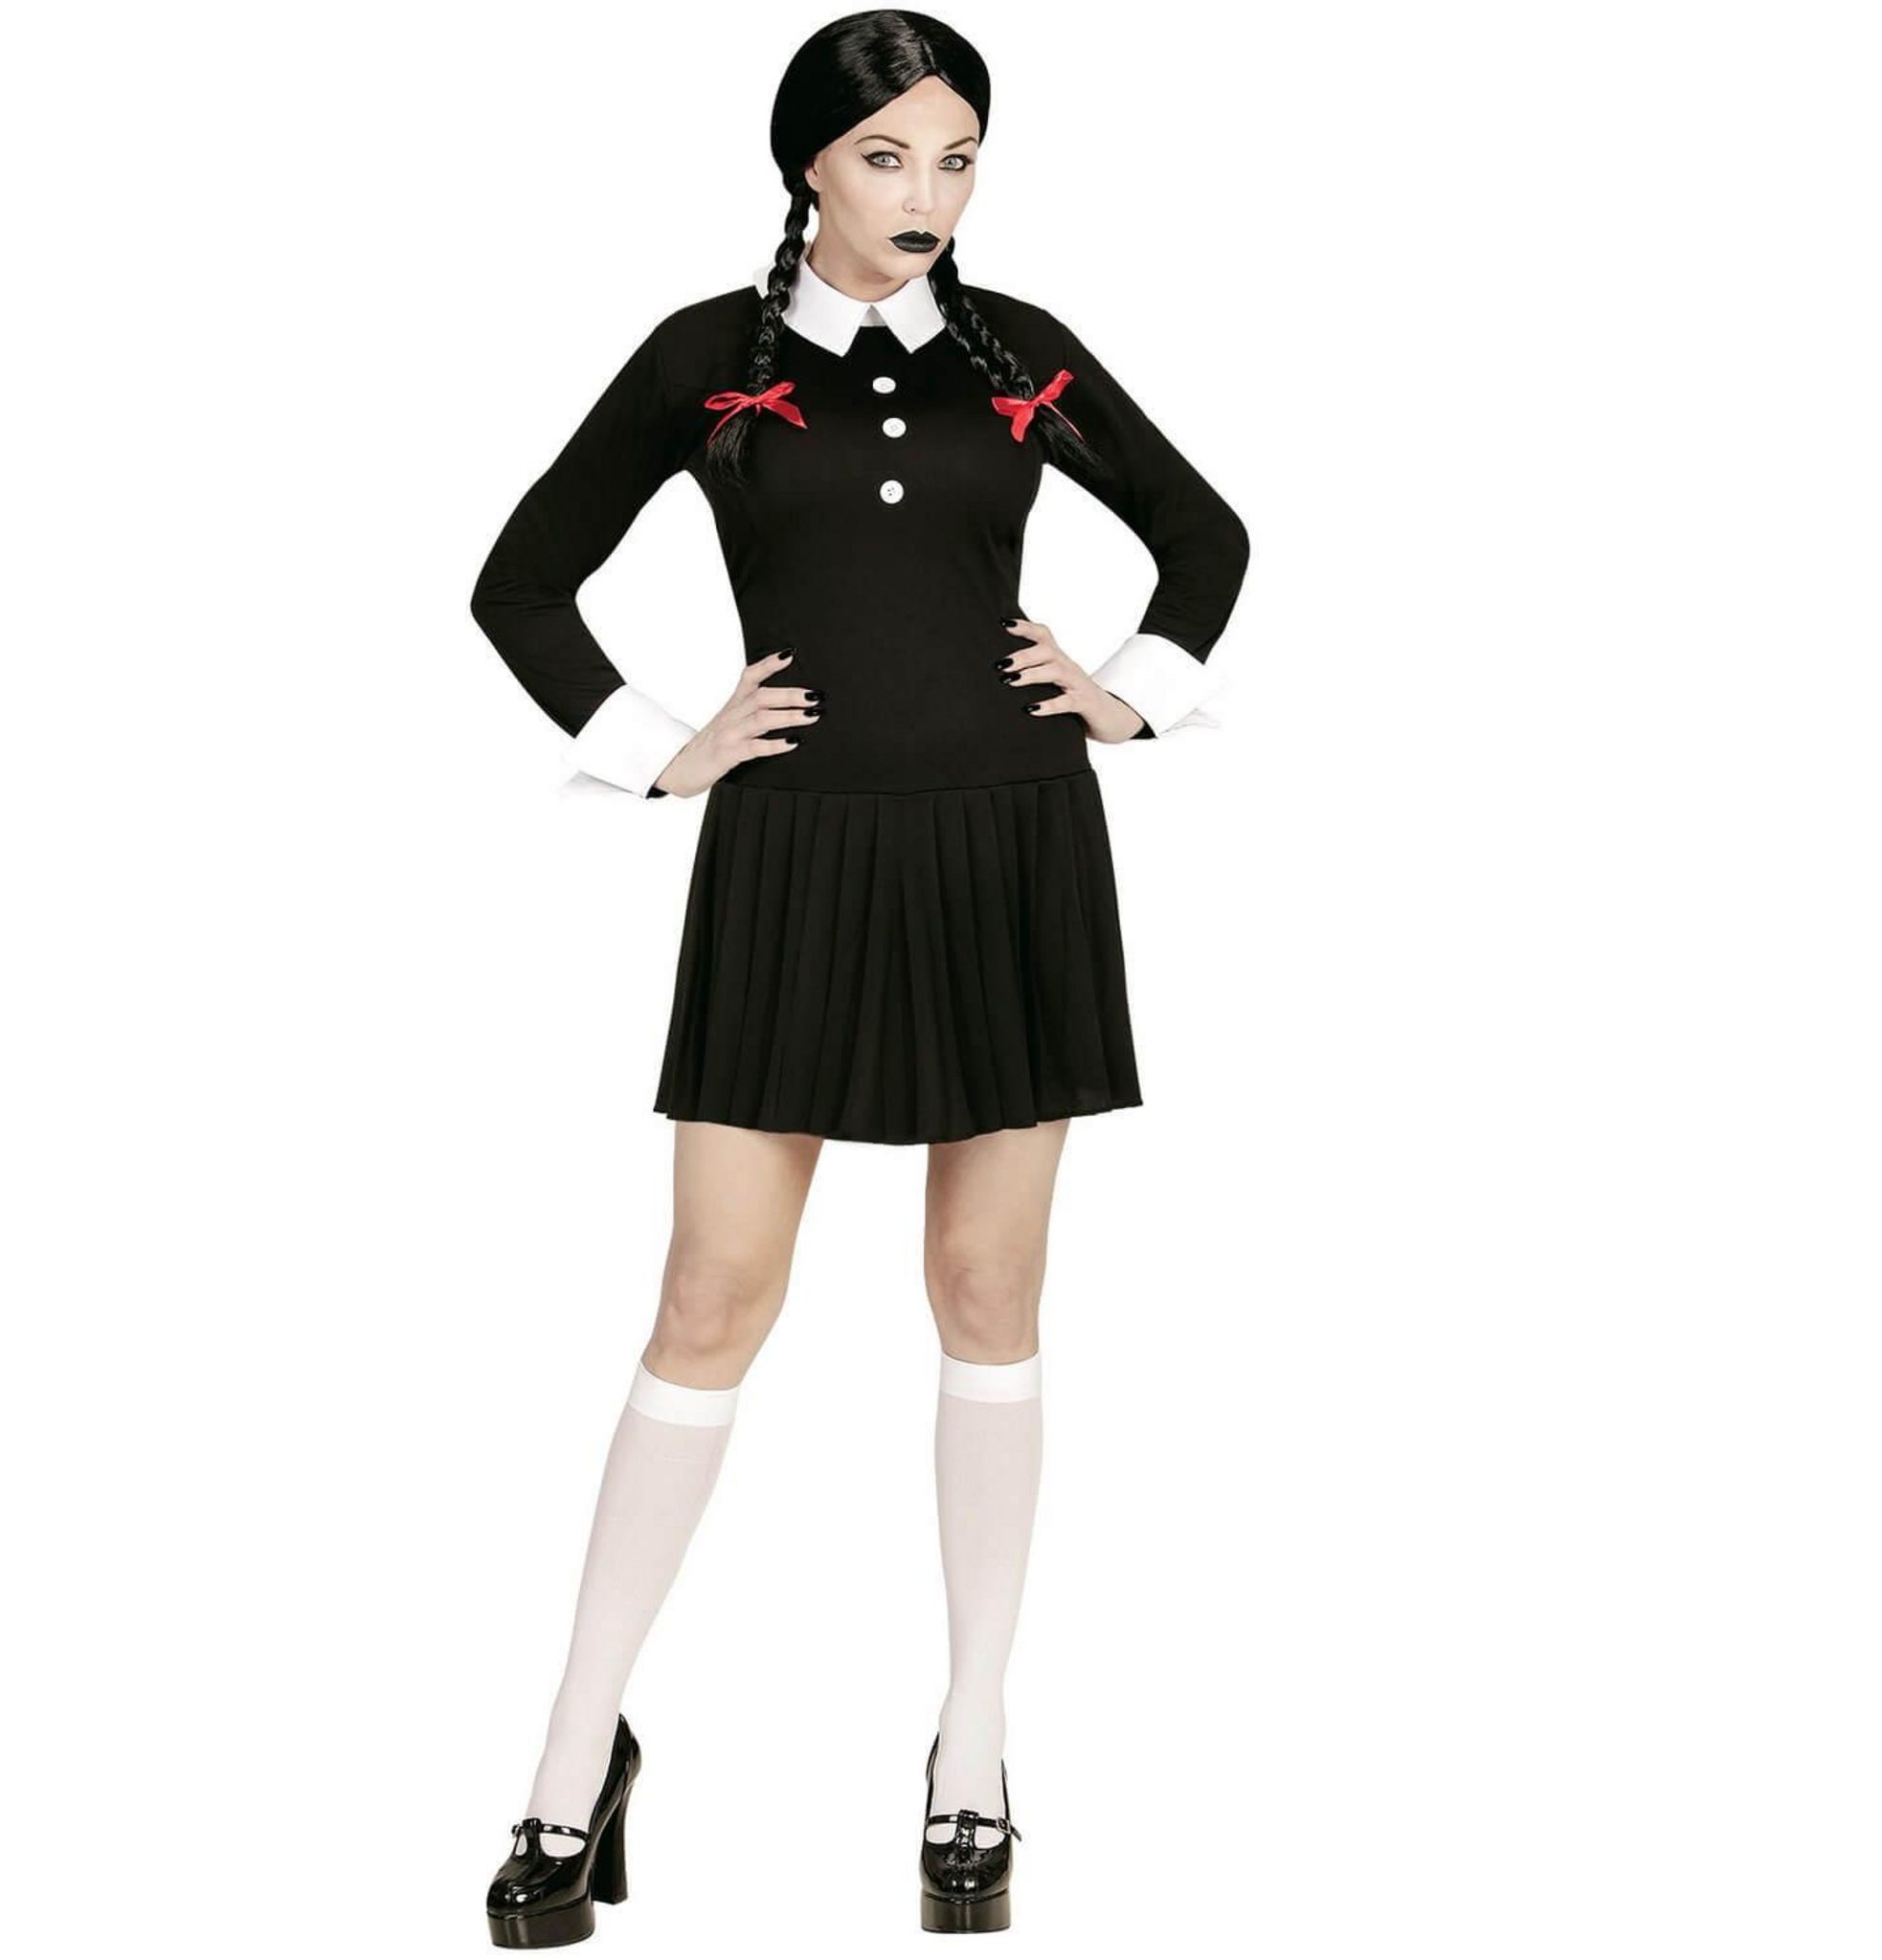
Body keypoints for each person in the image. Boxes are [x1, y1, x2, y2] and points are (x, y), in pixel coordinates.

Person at [467, 10, 1250, 1942]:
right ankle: (573, 1753)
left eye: (958, 157)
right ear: (807, 161)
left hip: (1007, 845)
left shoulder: (1017, 353)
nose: (928, 192)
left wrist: (1130, 694)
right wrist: (656, 746)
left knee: (986, 1288)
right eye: (889, 154)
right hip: (796, 856)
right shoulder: (706, 360)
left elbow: (1205, 535)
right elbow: (520, 580)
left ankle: (972, 1748)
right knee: (709, 1295)